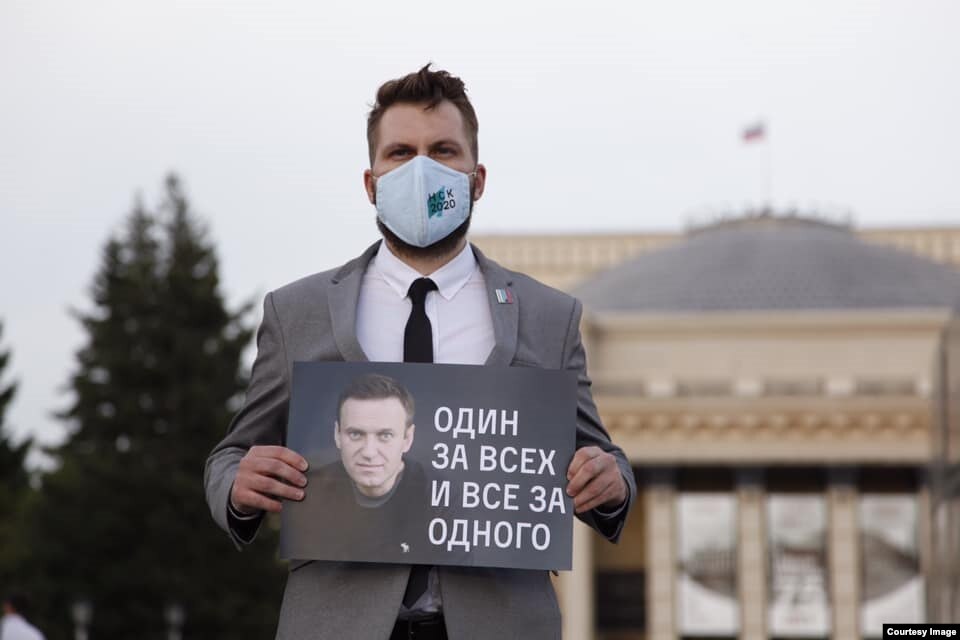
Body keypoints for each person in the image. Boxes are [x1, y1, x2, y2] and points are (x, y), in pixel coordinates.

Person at [204, 64, 637, 640]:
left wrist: (611, 484)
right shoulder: (297, 312)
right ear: (371, 182)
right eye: (401, 153)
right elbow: (230, 456)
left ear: (477, 179)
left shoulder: (549, 315)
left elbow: (603, 457)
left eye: (443, 151)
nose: (422, 169)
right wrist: (238, 487)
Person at [282, 374, 434, 562]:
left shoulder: (441, 495)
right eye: (355, 434)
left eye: (385, 435)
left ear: (407, 439)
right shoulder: (307, 492)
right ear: (337, 435)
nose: (369, 452)